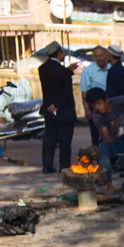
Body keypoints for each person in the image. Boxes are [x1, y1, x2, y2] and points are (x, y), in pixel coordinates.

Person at [38, 41, 79, 174]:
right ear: (59, 53)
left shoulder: (42, 69)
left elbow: (54, 81)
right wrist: (57, 106)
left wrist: (68, 71)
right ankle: (64, 165)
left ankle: (47, 166)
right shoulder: (63, 72)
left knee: (49, 139)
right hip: (64, 111)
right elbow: (66, 92)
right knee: (65, 140)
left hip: (48, 109)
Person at [80, 45, 110, 145]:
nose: (99, 58)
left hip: (110, 105)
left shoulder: (111, 68)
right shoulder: (88, 71)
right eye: (96, 56)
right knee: (96, 135)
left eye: (101, 56)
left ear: (105, 55)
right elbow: (84, 92)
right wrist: (87, 109)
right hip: (95, 107)